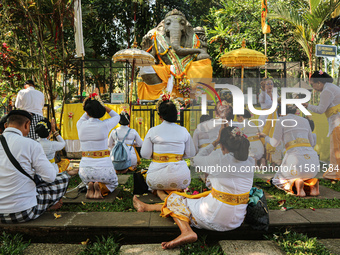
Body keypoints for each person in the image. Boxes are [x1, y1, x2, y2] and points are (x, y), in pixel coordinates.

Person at [133, 126, 254, 249]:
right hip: (237, 219)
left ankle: (186, 231)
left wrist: (214, 142)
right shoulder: (250, 161)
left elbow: (196, 159)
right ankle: (146, 206)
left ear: (222, 145)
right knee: (191, 200)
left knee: (176, 199)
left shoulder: (219, 159)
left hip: (216, 217)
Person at [0, 110, 77, 223]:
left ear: (6, 125)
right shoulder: (31, 144)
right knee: (63, 178)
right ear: (27, 124)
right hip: (24, 212)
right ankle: (47, 205)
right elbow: (50, 177)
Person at [140, 93, 195, 198]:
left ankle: (160, 192)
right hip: (182, 179)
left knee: (150, 178)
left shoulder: (153, 131)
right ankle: (174, 191)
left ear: (160, 115)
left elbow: (145, 154)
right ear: (176, 114)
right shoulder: (184, 131)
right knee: (176, 182)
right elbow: (190, 153)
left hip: (156, 179)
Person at [258, 105, 320, 197]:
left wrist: (265, 136)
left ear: (280, 114)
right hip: (313, 164)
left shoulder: (281, 121)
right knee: (305, 175)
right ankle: (312, 183)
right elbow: (311, 142)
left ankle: (295, 183)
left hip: (296, 163)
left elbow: (274, 143)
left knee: (277, 180)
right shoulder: (305, 120)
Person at [77, 91, 120, 199]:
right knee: (113, 184)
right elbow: (116, 116)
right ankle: (100, 188)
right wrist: (102, 105)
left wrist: (91, 104)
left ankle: (89, 186)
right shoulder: (105, 125)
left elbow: (86, 114)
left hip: (84, 171)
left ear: (87, 111)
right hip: (104, 169)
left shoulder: (80, 124)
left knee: (88, 180)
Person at [303, 71, 340, 181]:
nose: (313, 87)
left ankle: (335, 174)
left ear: (319, 82)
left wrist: (308, 105)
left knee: (336, 149)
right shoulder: (333, 87)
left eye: (312, 84)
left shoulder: (326, 91)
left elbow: (320, 110)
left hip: (337, 123)